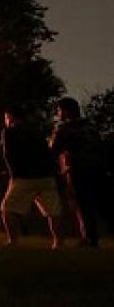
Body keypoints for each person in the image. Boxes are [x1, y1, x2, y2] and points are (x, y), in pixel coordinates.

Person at [0, 108, 61, 248]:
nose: (5, 121)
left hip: (25, 177)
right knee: (53, 211)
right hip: (46, 176)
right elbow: (48, 152)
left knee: (8, 209)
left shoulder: (9, 132)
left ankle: (12, 241)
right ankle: (57, 243)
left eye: (6, 118)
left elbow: (8, 155)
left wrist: (13, 175)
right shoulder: (37, 131)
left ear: (10, 117)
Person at [50, 97, 103, 247]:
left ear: (66, 111)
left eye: (59, 110)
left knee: (80, 205)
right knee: (90, 204)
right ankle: (92, 237)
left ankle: (87, 238)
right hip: (94, 169)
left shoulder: (64, 129)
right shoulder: (91, 127)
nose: (58, 113)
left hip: (74, 170)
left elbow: (53, 151)